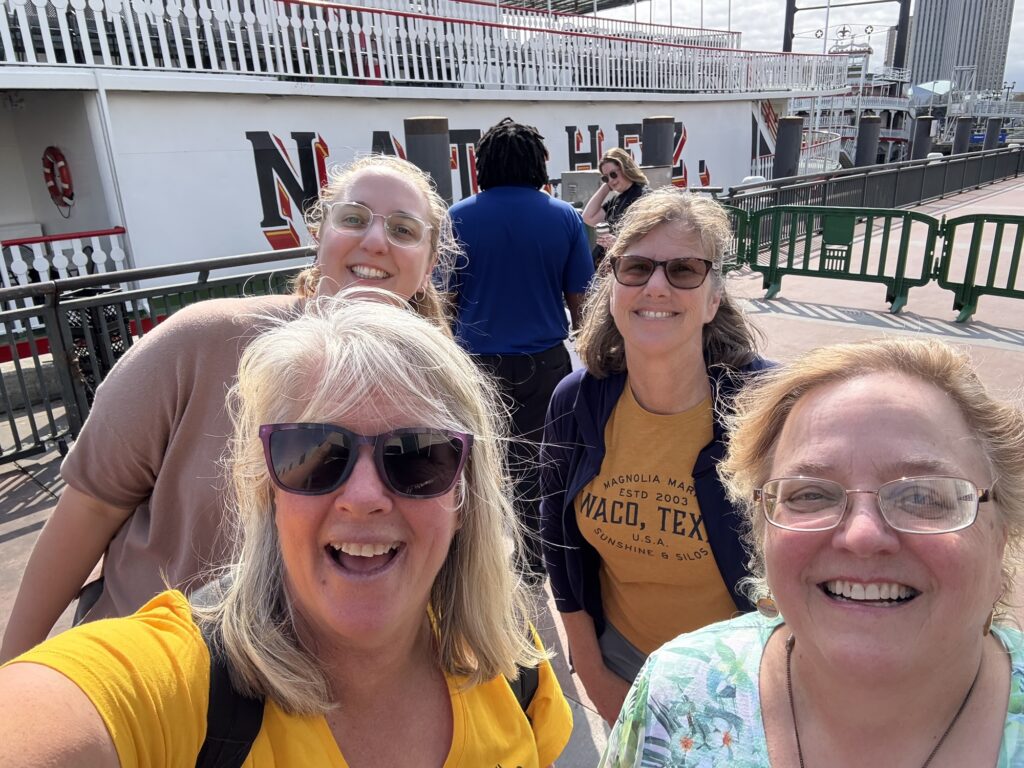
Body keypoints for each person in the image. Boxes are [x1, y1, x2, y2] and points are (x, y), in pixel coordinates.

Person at [0, 294, 573, 767]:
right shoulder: (175, 688)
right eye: (316, 454)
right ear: (266, 490)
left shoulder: (510, 660)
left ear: (465, 495)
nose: (364, 497)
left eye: (419, 456)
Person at [1, 154, 459, 662]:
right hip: (148, 676)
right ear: (318, 235)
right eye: (353, 218)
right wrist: (11, 672)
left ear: (429, 264)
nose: (375, 240)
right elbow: (90, 507)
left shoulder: (441, 391)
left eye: (402, 229)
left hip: (315, 692)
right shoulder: (199, 343)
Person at [603, 337, 1024, 767]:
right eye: (810, 494)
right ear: (763, 529)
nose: (862, 535)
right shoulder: (677, 695)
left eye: (921, 496)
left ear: (1001, 533)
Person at [540, 188, 770, 725]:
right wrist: (589, 665)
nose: (657, 286)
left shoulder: (769, 405)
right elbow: (556, 536)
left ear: (713, 299)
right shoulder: (576, 401)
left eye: (684, 270)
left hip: (742, 677)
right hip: (624, 661)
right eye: (637, 267)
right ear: (613, 289)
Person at [448, 117, 594, 582]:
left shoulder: (457, 217)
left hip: (475, 364)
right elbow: (580, 301)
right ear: (538, 164)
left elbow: (444, 300)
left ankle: (478, 559)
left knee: (477, 463)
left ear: (482, 165)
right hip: (545, 361)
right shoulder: (564, 217)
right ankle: (532, 562)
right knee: (537, 463)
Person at [581, 147, 649, 268]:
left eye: (613, 174)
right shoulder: (617, 199)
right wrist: (606, 186)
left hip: (625, 268)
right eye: (605, 177)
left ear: (625, 168)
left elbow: (648, 240)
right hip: (606, 267)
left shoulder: (644, 196)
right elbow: (588, 217)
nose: (611, 180)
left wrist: (617, 243)